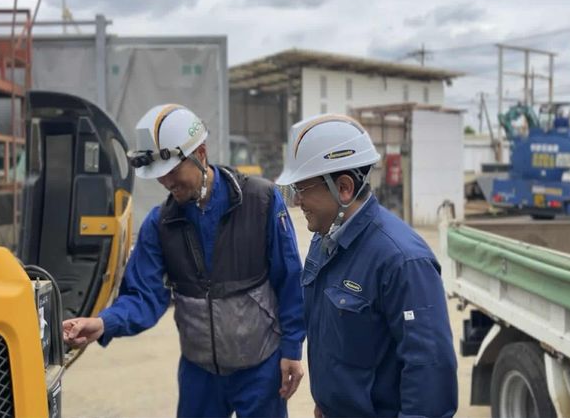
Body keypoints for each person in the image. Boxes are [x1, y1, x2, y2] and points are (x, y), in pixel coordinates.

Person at [63, 104, 306, 418]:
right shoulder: (160, 225)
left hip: (261, 367)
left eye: (172, 171)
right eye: (159, 175)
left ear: (200, 153)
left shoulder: (261, 201)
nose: (166, 182)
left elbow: (290, 280)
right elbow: (144, 296)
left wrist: (292, 349)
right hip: (199, 375)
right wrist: (103, 323)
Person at [275, 113, 458, 417]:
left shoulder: (402, 261)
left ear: (344, 188)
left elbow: (430, 376)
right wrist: (327, 402)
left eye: (302, 189)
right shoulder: (324, 241)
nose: (296, 201)